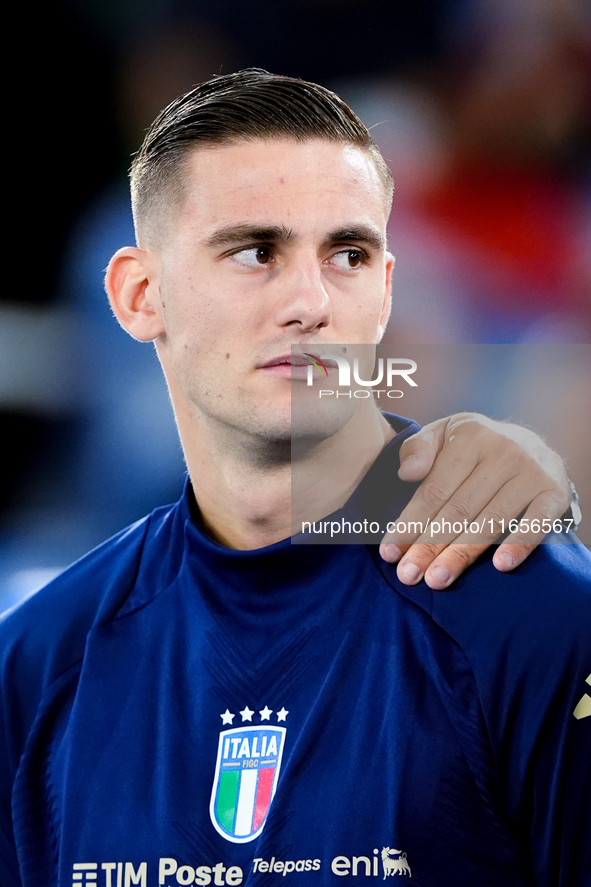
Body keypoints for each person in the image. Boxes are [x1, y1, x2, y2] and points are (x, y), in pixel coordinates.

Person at [0, 70, 588, 887]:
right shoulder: (37, 664)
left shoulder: (539, 617)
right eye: (255, 251)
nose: (309, 301)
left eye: (346, 254)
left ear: (384, 294)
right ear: (140, 295)